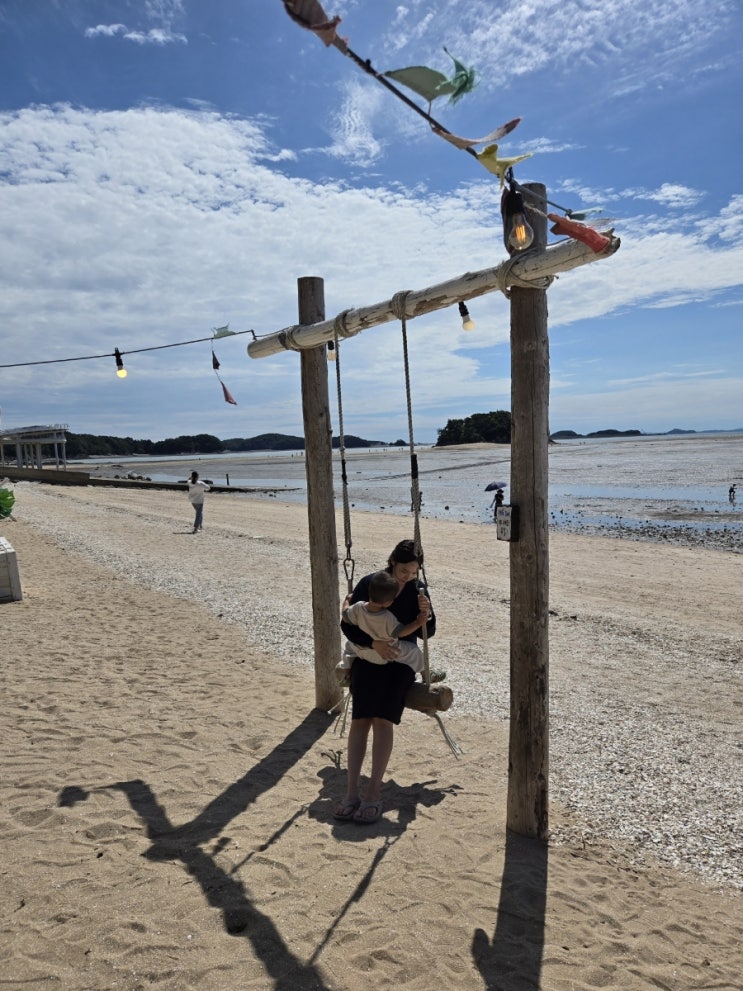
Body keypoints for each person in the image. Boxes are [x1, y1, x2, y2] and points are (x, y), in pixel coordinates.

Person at [333, 540, 435, 825]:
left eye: (413, 572)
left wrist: (426, 613)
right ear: (392, 562)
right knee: (360, 720)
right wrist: (373, 644)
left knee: (382, 720)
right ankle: (351, 792)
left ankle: (373, 791)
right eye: (404, 571)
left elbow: (429, 632)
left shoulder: (418, 590)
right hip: (367, 657)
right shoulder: (371, 583)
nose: (408, 577)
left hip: (398, 664)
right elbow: (347, 625)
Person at [336, 570, 426, 681]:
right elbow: (401, 632)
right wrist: (417, 623)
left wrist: (346, 601)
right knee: (414, 651)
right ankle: (426, 674)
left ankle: (347, 675)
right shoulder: (387, 617)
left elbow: (345, 615)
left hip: (361, 651)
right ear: (388, 602)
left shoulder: (358, 607)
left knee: (349, 646)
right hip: (384, 654)